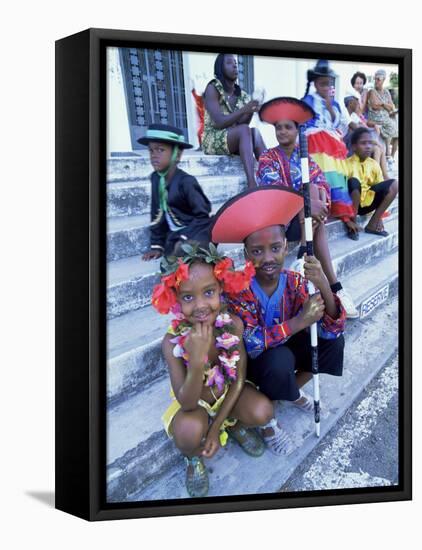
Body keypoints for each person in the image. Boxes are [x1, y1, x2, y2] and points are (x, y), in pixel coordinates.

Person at [153, 244, 289, 498]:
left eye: (209, 292)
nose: (202, 305)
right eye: (188, 297)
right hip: (196, 406)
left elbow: (238, 381)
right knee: (187, 434)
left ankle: (232, 423)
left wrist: (215, 429)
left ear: (221, 290)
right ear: (175, 300)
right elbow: (187, 402)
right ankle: (193, 459)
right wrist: (194, 363)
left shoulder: (233, 325)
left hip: (228, 394)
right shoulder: (171, 342)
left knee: (263, 410)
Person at [211, 187, 346, 420]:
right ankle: (290, 394)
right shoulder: (239, 290)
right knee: (278, 360)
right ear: (246, 254)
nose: (268, 258)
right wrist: (298, 322)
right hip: (259, 365)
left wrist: (323, 283)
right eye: (257, 251)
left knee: (333, 344)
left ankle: (290, 390)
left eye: (275, 248)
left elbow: (332, 329)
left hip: (286, 353)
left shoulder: (295, 282)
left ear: (285, 246)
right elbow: (252, 344)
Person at [256, 96, 358, 318]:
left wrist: (317, 203)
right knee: (309, 197)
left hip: (306, 223)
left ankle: (306, 255)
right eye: (278, 128)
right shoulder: (267, 157)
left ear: (297, 130)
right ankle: (335, 286)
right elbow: (273, 194)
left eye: (287, 127)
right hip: (280, 222)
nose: (282, 132)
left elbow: (323, 187)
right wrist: (308, 201)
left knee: (313, 194)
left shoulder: (307, 160)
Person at [301, 60, 358, 239]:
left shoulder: (334, 103)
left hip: (331, 143)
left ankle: (342, 210)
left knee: (336, 175)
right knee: (324, 174)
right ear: (315, 83)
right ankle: (324, 208)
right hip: (315, 142)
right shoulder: (308, 100)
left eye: (329, 83)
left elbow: (335, 123)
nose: (326, 87)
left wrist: (328, 106)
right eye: (323, 83)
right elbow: (304, 123)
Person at [139, 124, 212, 261]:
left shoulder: (187, 182)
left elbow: (202, 216)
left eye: (160, 150)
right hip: (175, 234)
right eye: (151, 151)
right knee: (172, 252)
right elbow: (156, 213)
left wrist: (185, 236)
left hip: (196, 229)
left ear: (177, 155)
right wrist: (156, 245)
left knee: (186, 248)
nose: (154, 155)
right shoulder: (156, 179)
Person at [202, 53, 266, 188]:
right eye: (230, 63)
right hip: (213, 138)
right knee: (244, 131)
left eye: (236, 63)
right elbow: (219, 122)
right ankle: (251, 183)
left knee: (255, 133)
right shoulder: (213, 88)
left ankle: (272, 175)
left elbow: (241, 125)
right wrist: (244, 109)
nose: (235, 65)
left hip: (231, 138)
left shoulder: (241, 95)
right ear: (220, 67)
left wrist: (251, 110)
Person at [346, 127, 398, 236]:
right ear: (354, 147)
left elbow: (381, 189)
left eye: (370, 143)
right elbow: (341, 193)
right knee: (354, 182)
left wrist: (380, 217)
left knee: (394, 185)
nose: (368, 147)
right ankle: (353, 224)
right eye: (363, 143)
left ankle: (372, 224)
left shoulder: (373, 164)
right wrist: (346, 219)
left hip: (367, 204)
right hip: (351, 206)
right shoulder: (346, 164)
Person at [343, 94, 389, 180]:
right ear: (350, 103)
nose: (358, 104)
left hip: (355, 141)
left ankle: (384, 175)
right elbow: (358, 130)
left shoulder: (353, 115)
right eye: (356, 101)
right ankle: (373, 176)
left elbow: (363, 127)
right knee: (376, 149)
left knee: (379, 148)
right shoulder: (345, 114)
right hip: (347, 143)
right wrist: (373, 141)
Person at [367, 69, 398, 166]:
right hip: (375, 118)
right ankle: (388, 155)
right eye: (375, 79)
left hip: (385, 119)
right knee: (391, 125)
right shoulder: (372, 91)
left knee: (395, 128)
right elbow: (374, 106)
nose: (376, 81)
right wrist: (385, 106)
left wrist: (383, 104)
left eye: (378, 79)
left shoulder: (386, 92)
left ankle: (390, 156)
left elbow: (391, 106)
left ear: (383, 80)